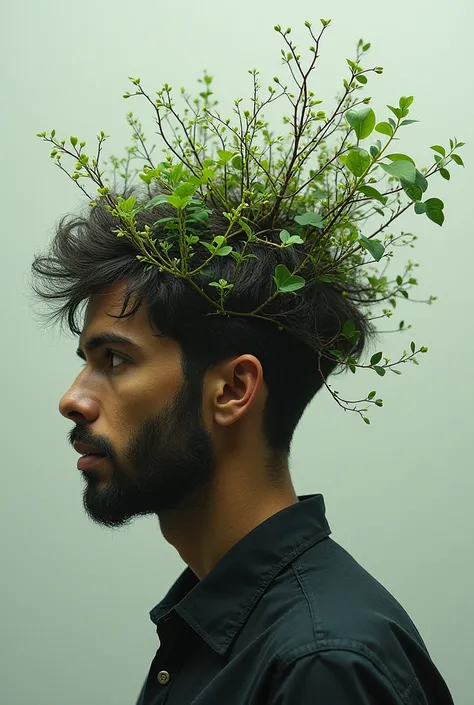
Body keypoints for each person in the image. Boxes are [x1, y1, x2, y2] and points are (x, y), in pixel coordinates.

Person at [29, 194, 455, 704]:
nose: (72, 400)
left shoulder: (320, 666)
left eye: (115, 359)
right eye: (85, 362)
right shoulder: (216, 626)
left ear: (232, 390)